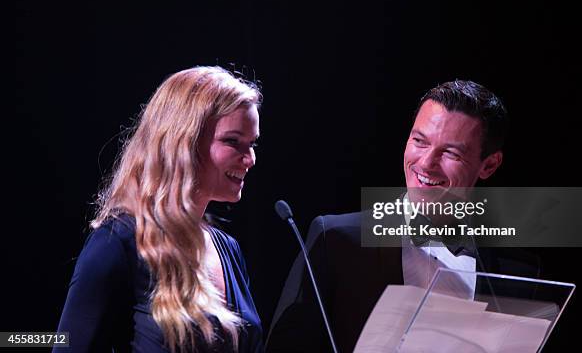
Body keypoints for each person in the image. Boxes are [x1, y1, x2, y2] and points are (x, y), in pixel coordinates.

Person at [266, 80, 540, 353]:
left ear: (489, 165)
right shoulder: (337, 240)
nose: (426, 163)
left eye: (450, 152)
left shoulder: (517, 269)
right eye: (419, 141)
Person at [55, 67, 264, 352]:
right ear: (183, 142)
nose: (249, 159)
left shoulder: (229, 250)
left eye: (252, 144)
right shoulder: (119, 241)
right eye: (232, 141)